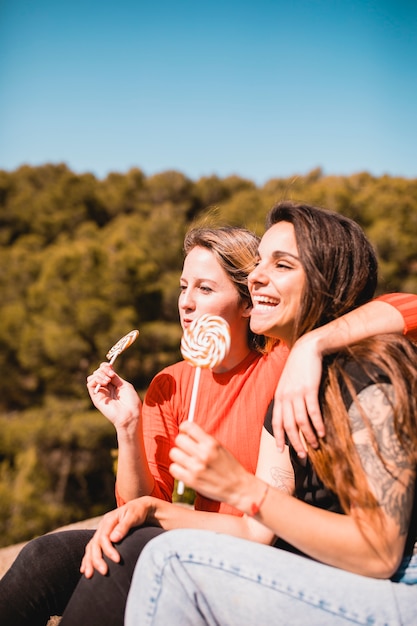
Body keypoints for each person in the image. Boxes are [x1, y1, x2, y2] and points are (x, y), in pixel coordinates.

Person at [1, 226, 416, 626]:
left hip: (266, 546)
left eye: (204, 288)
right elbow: (141, 505)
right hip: (217, 531)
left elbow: (408, 307)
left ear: (247, 301)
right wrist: (127, 427)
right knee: (45, 558)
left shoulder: (282, 360)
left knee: (139, 552)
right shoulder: (171, 384)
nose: (185, 302)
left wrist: (310, 344)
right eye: (184, 287)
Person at [125, 201, 417, 626]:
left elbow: (380, 552)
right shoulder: (285, 396)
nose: (256, 275)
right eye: (259, 262)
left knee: (171, 562)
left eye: (282, 265)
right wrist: (152, 511)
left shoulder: (368, 372)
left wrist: (241, 487)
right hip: (329, 578)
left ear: (326, 279)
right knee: (146, 547)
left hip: (399, 586)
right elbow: (253, 533)